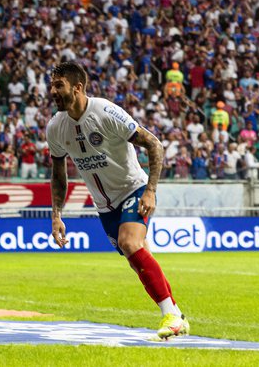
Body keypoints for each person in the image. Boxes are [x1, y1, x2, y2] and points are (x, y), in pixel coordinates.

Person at [46, 61, 189, 340]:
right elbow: (58, 174)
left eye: (58, 85)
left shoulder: (106, 112)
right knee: (137, 259)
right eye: (51, 85)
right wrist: (56, 214)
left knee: (129, 242)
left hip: (133, 189)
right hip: (104, 205)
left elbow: (154, 144)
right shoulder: (56, 127)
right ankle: (176, 314)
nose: (52, 91)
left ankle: (170, 315)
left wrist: (150, 191)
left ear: (77, 88)